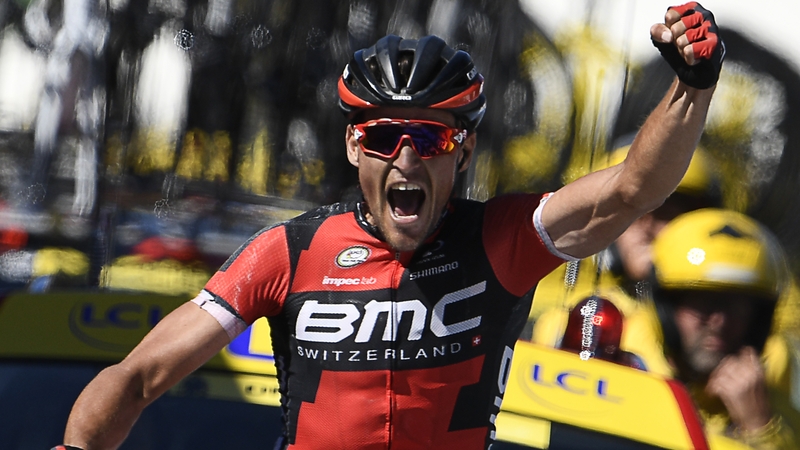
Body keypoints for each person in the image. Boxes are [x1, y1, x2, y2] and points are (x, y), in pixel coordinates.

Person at [54, 3, 724, 449]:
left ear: (462, 152)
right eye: (383, 136)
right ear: (353, 148)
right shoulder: (290, 252)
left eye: (430, 139)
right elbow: (139, 377)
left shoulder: (502, 240)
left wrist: (692, 83)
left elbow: (636, 186)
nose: (405, 157)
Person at [641, 208, 799, 448]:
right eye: (704, 303)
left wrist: (759, 429)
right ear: (667, 307)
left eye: (737, 308)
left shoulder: (772, 410)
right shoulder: (620, 361)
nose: (720, 322)